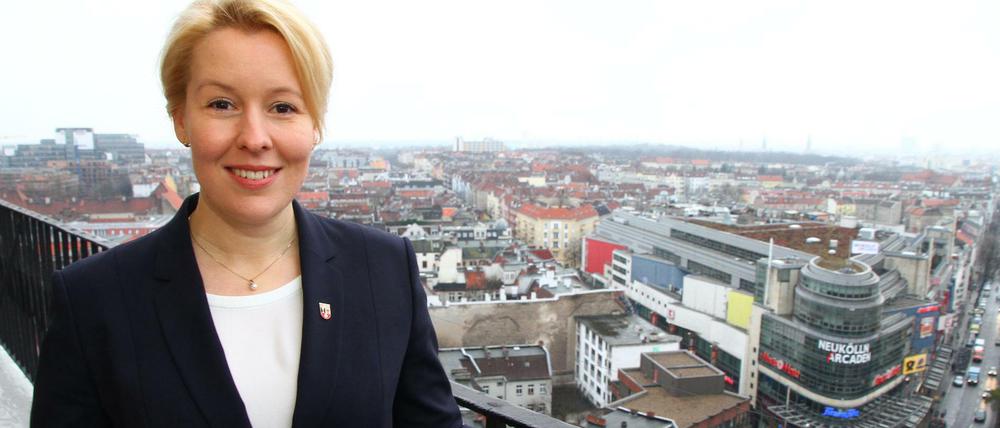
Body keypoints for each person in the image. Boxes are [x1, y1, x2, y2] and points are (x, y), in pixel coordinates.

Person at [30, 0, 463, 426]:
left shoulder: (385, 271)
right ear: (180, 119)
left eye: (283, 107)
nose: (254, 138)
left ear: (315, 125)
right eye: (222, 104)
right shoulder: (93, 301)